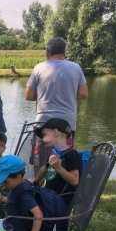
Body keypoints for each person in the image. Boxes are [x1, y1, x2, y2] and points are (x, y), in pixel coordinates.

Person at [25, 37, 89, 170]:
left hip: (43, 122)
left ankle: (38, 187)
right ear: (64, 52)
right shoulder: (75, 67)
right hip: (67, 124)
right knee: (65, 158)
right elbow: (84, 94)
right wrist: (68, 95)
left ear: (47, 52)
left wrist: (44, 95)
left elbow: (28, 95)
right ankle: (61, 189)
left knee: (40, 160)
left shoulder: (39, 68)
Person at [33, 118, 81, 208]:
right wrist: (35, 182)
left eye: (44, 134)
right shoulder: (54, 153)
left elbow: (75, 181)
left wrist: (58, 168)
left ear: (55, 132)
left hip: (59, 203)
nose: (42, 139)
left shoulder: (71, 154)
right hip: (49, 197)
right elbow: (45, 168)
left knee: (25, 203)